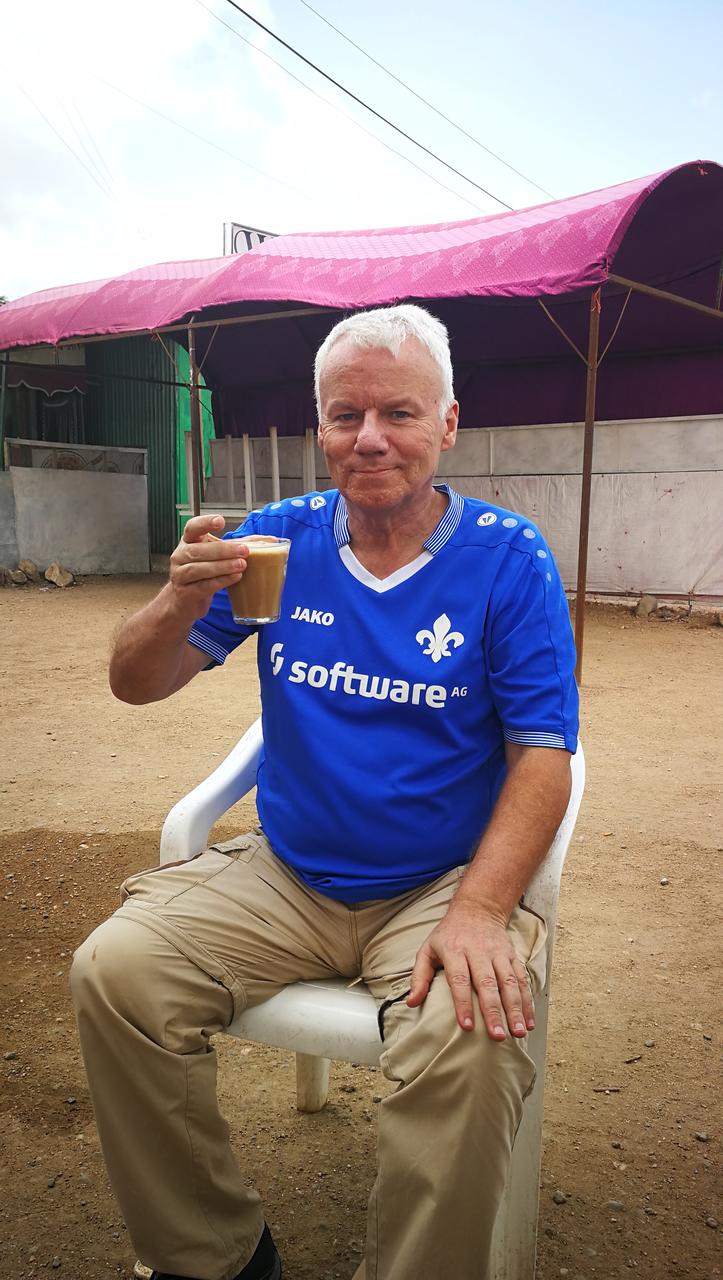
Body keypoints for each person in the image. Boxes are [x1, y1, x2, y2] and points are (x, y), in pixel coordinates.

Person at [71, 304, 578, 1280]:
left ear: (448, 424)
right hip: (287, 872)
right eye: (346, 415)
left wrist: (481, 909)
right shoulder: (277, 542)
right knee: (116, 973)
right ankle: (213, 1253)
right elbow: (137, 682)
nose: (369, 437)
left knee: (473, 1035)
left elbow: (543, 755)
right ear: (321, 429)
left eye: (399, 412)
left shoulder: (506, 560)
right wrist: (179, 597)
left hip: (438, 881)